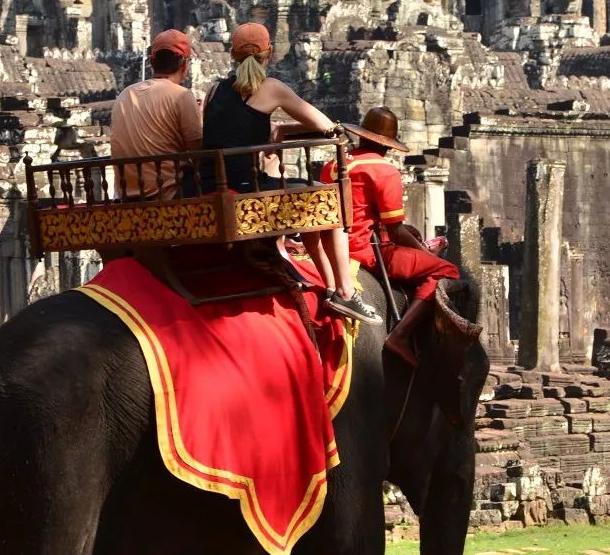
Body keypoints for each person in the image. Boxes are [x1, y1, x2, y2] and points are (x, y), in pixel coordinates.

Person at [202, 22, 380, 326]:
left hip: (210, 184)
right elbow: (326, 125)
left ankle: (329, 286)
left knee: (309, 197)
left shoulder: (214, 89)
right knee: (331, 199)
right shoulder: (271, 87)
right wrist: (288, 128)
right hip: (247, 190)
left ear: (232, 55)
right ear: (268, 53)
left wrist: (280, 129)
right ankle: (347, 292)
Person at [321, 106, 460, 367]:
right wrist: (424, 252)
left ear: (361, 136)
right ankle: (400, 335)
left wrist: (415, 240)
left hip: (332, 245)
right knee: (446, 271)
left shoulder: (334, 165)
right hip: (366, 251)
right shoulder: (384, 171)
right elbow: (394, 229)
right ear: (388, 145)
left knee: (415, 234)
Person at [111, 30, 202, 198]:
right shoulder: (181, 95)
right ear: (185, 66)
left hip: (125, 194)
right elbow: (198, 151)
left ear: (152, 62)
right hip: (168, 192)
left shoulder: (125, 94)